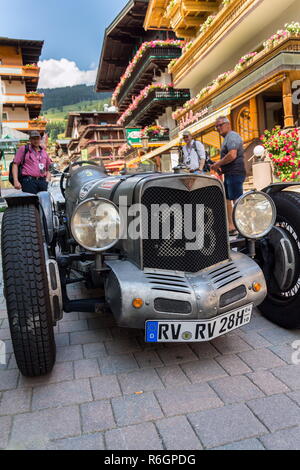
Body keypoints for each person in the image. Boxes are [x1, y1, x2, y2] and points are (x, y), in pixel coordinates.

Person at [211, 116, 246, 235]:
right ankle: (232, 226)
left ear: (228, 124)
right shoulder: (227, 138)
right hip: (229, 173)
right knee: (227, 199)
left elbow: (232, 155)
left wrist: (217, 164)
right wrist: (220, 168)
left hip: (235, 172)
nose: (218, 128)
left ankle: (242, 228)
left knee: (237, 201)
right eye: (216, 126)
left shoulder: (232, 136)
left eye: (220, 125)